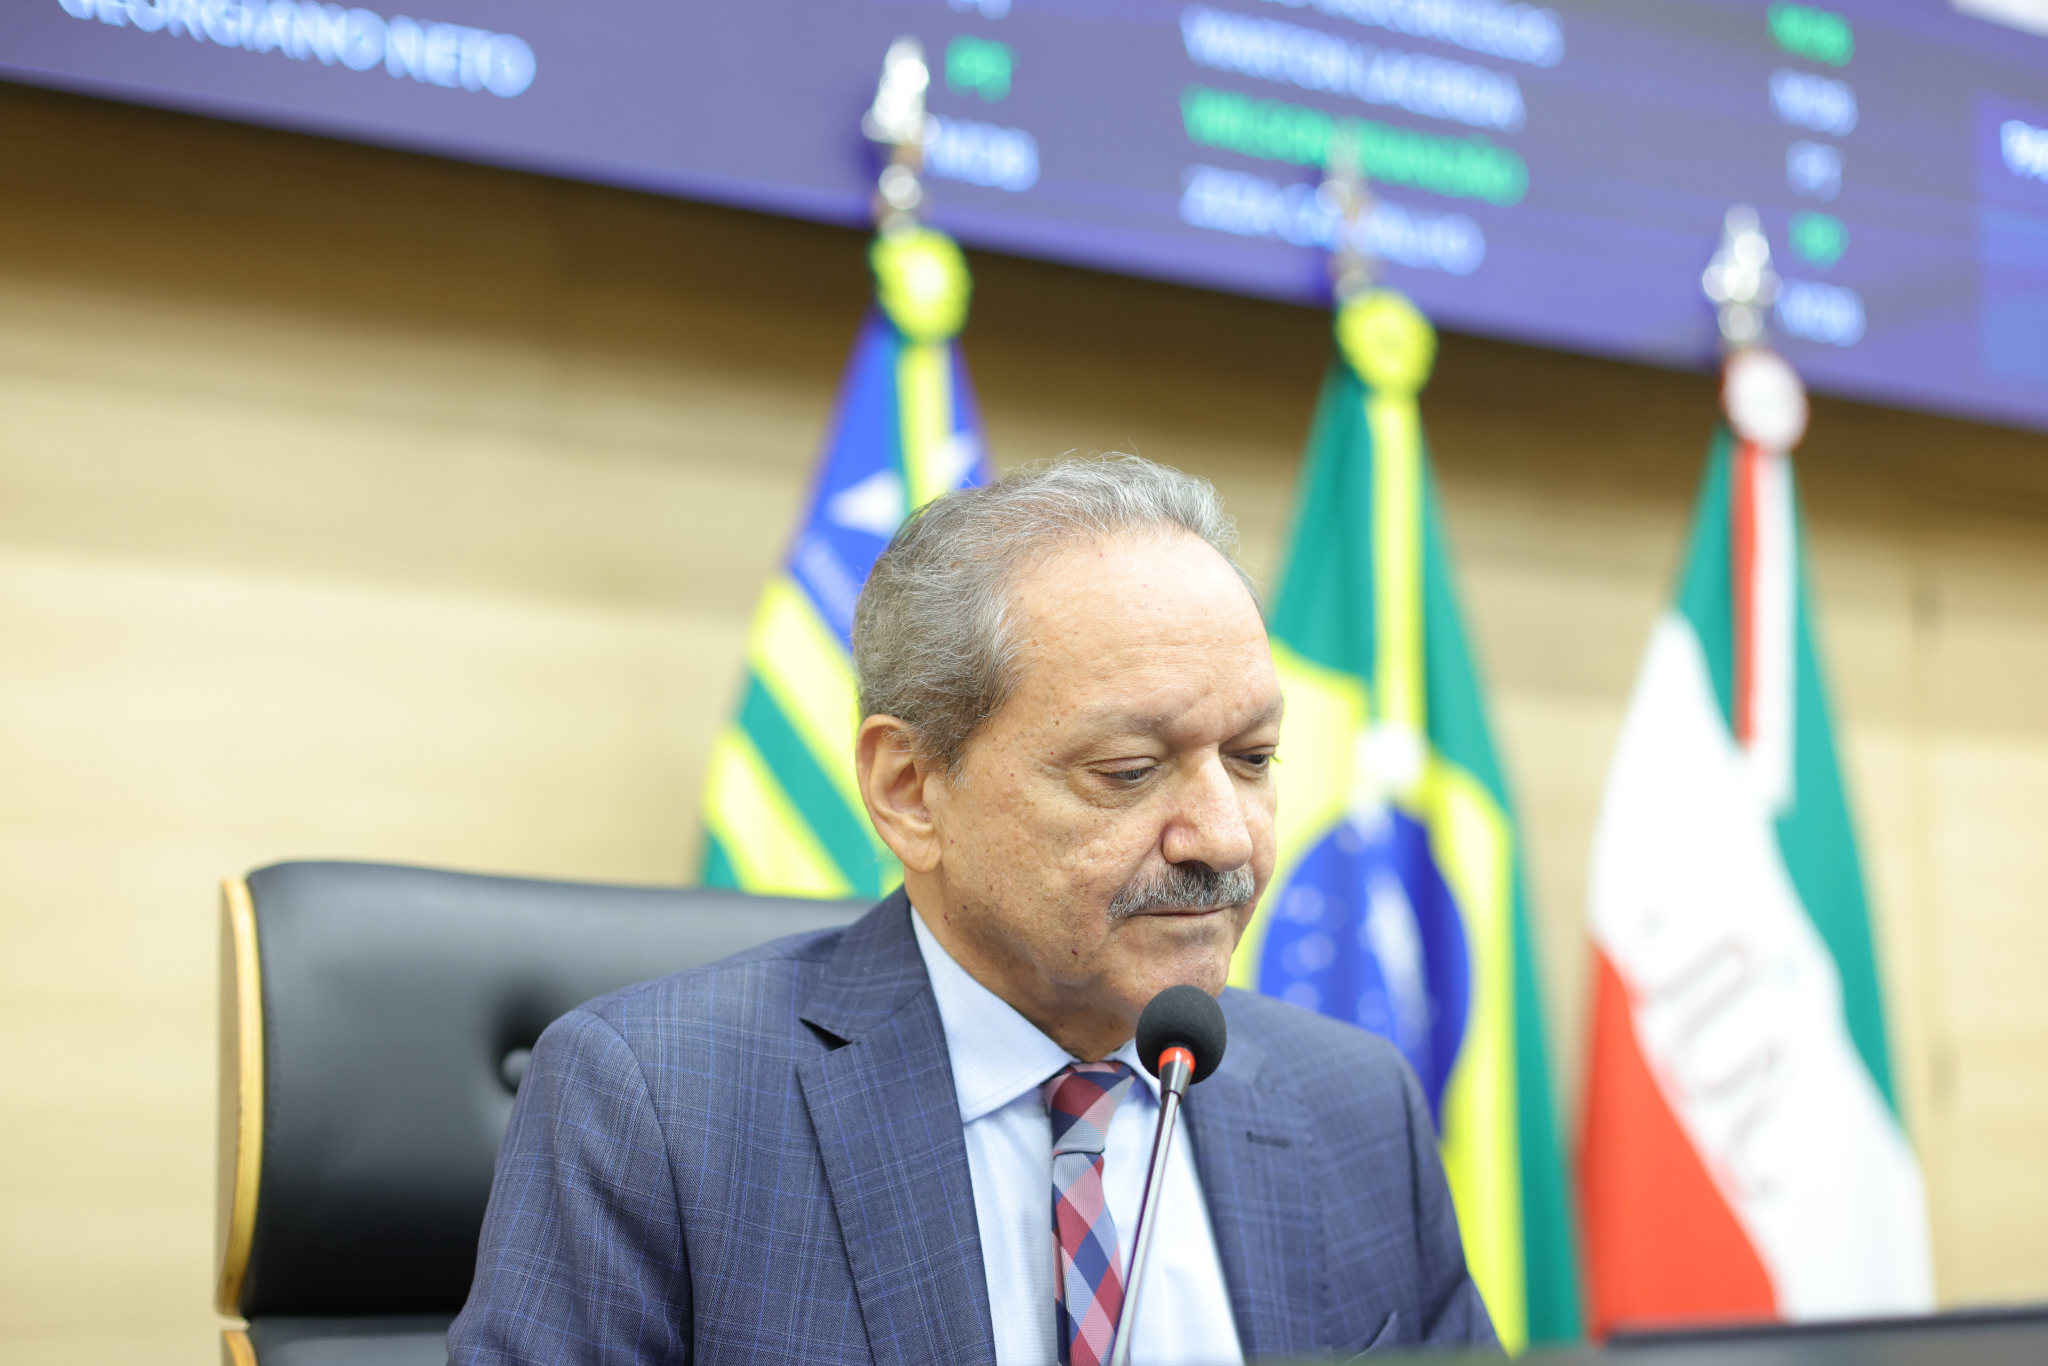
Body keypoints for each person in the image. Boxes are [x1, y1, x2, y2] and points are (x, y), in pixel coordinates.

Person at [449, 456, 1496, 1366]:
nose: (1224, 839)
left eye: (1253, 759)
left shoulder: (1353, 1105)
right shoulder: (658, 1107)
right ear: (909, 789)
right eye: (1128, 770)